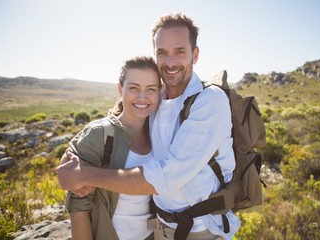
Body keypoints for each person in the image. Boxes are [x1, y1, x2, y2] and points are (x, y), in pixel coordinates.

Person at [56, 12, 240, 240]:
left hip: (202, 230)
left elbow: (164, 177)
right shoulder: (157, 97)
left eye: (179, 52)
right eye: (162, 53)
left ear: (195, 54)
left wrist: (86, 175)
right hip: (159, 229)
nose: (170, 62)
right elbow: (123, 116)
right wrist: (75, 153)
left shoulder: (210, 101)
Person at [63, 56, 161, 240]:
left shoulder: (160, 133)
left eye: (151, 89)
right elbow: (78, 208)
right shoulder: (100, 133)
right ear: (120, 89)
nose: (142, 97)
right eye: (133, 88)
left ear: (159, 92)